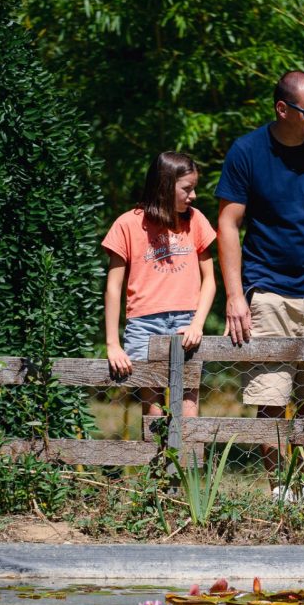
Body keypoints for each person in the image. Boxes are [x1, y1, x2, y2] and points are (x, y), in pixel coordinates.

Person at [216, 71, 304, 501]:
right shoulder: (247, 151)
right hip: (268, 288)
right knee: (271, 396)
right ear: (282, 109)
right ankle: (280, 486)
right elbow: (228, 223)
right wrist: (236, 296)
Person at [102, 151, 216, 417]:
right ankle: (157, 460)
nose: (194, 196)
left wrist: (197, 323)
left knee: (188, 411)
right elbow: (113, 288)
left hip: (187, 321)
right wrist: (112, 344)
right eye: (187, 189)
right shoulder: (127, 224)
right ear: (165, 186)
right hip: (144, 324)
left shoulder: (195, 220)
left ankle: (188, 461)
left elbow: (210, 279)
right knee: (153, 412)